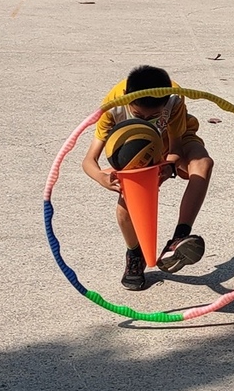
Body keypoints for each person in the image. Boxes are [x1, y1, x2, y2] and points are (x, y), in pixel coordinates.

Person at [82, 64, 214, 291]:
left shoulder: (173, 99)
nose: (146, 119)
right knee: (125, 206)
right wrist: (102, 179)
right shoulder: (112, 107)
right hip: (134, 155)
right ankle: (135, 254)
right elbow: (88, 161)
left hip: (168, 146)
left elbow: (176, 147)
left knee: (203, 163)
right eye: (139, 115)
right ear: (127, 98)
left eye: (153, 116)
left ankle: (179, 238)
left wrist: (170, 167)